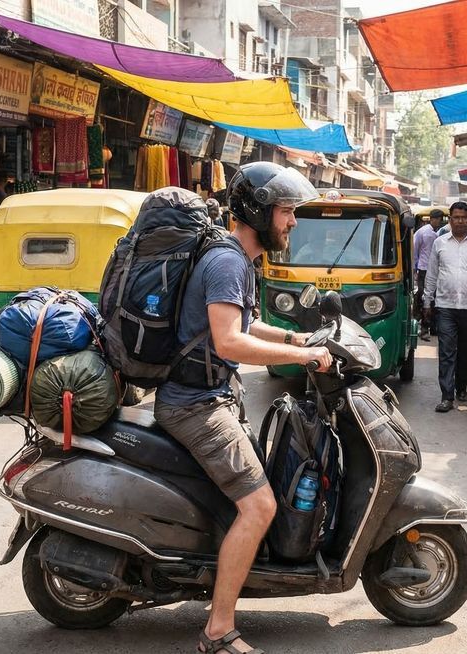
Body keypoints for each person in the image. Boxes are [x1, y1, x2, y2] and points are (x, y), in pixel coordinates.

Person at [153, 164, 329, 654]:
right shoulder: (228, 262)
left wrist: (297, 336)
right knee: (260, 505)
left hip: (209, 396)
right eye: (287, 213)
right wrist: (303, 356)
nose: (292, 223)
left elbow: (246, 323)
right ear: (258, 211)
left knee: (252, 491)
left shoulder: (237, 259)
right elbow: (230, 342)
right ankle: (217, 630)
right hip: (195, 405)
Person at [424, 201, 467, 413]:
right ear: (450, 219)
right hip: (445, 306)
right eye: (456, 217)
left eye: (464, 217)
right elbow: (432, 274)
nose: (460, 221)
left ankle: (461, 387)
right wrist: (427, 301)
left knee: (466, 351)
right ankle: (447, 396)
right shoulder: (440, 243)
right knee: (446, 351)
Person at [413, 209, 444, 341]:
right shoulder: (427, 233)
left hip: (429, 268)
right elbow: (415, 250)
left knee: (431, 297)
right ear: (434, 219)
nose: (440, 222)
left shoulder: (432, 233)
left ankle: (431, 327)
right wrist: (415, 268)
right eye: (439, 219)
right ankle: (425, 327)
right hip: (425, 269)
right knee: (428, 297)